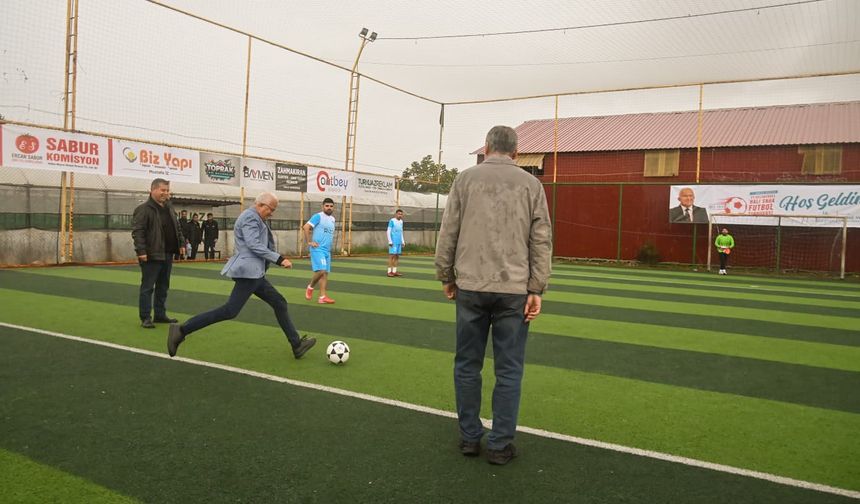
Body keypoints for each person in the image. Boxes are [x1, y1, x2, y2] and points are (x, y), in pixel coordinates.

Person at [434, 125, 552, 465]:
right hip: (514, 289)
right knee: (510, 369)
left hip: (471, 284)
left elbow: (449, 230)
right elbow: (541, 239)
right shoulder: (532, 185)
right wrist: (536, 287)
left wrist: (445, 274)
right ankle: (500, 445)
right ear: (516, 152)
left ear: (486, 147)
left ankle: (470, 438)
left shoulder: (465, 179)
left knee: (467, 364)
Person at [167, 192, 316, 359]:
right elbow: (253, 244)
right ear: (261, 205)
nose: (272, 213)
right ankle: (181, 330)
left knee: (279, 302)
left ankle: (296, 345)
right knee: (230, 311)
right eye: (271, 209)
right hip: (249, 273)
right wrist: (279, 259)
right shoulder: (250, 218)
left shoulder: (256, 217)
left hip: (255, 274)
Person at [132, 178, 184, 329]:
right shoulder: (144, 209)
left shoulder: (169, 207)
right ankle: (145, 317)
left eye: (167, 190)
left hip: (167, 254)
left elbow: (177, 227)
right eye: (162, 190)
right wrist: (141, 251)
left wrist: (180, 244)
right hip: (151, 254)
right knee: (148, 287)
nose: (165, 193)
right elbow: (138, 232)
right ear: (153, 190)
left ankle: (160, 315)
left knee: (163, 286)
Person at [303, 197, 336, 304]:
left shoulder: (333, 219)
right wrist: (309, 242)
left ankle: (322, 297)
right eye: (327, 206)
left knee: (325, 273)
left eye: (331, 206)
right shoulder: (318, 216)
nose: (329, 208)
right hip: (318, 249)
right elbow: (306, 227)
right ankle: (310, 287)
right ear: (322, 207)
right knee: (321, 270)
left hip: (327, 250)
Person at [386, 209, 405, 277]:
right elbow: (388, 231)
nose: (400, 215)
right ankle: (389, 271)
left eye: (401, 214)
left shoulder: (401, 222)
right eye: (399, 214)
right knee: (391, 256)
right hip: (393, 242)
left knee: (397, 256)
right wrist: (390, 241)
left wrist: (403, 241)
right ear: (396, 214)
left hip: (399, 241)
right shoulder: (392, 221)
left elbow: (401, 232)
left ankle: (394, 271)